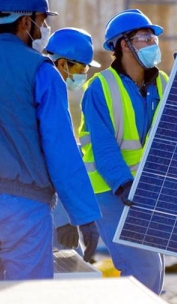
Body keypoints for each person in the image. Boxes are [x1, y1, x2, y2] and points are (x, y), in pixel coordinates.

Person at [0, 0, 101, 282]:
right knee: (30, 295)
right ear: (26, 22)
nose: (45, 28)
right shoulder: (42, 71)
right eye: (43, 21)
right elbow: (61, 150)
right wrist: (83, 215)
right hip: (23, 208)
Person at [78, 9, 169, 294]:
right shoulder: (100, 87)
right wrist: (123, 184)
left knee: (154, 272)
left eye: (153, 38)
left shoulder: (163, 82)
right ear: (123, 45)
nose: (152, 44)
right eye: (144, 38)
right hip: (111, 190)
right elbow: (104, 146)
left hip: (146, 189)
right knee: (143, 270)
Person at [44, 27, 102, 252]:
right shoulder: (46, 92)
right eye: (80, 67)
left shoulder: (45, 87)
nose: (84, 74)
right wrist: (64, 219)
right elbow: (55, 159)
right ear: (61, 64)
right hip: (32, 208)